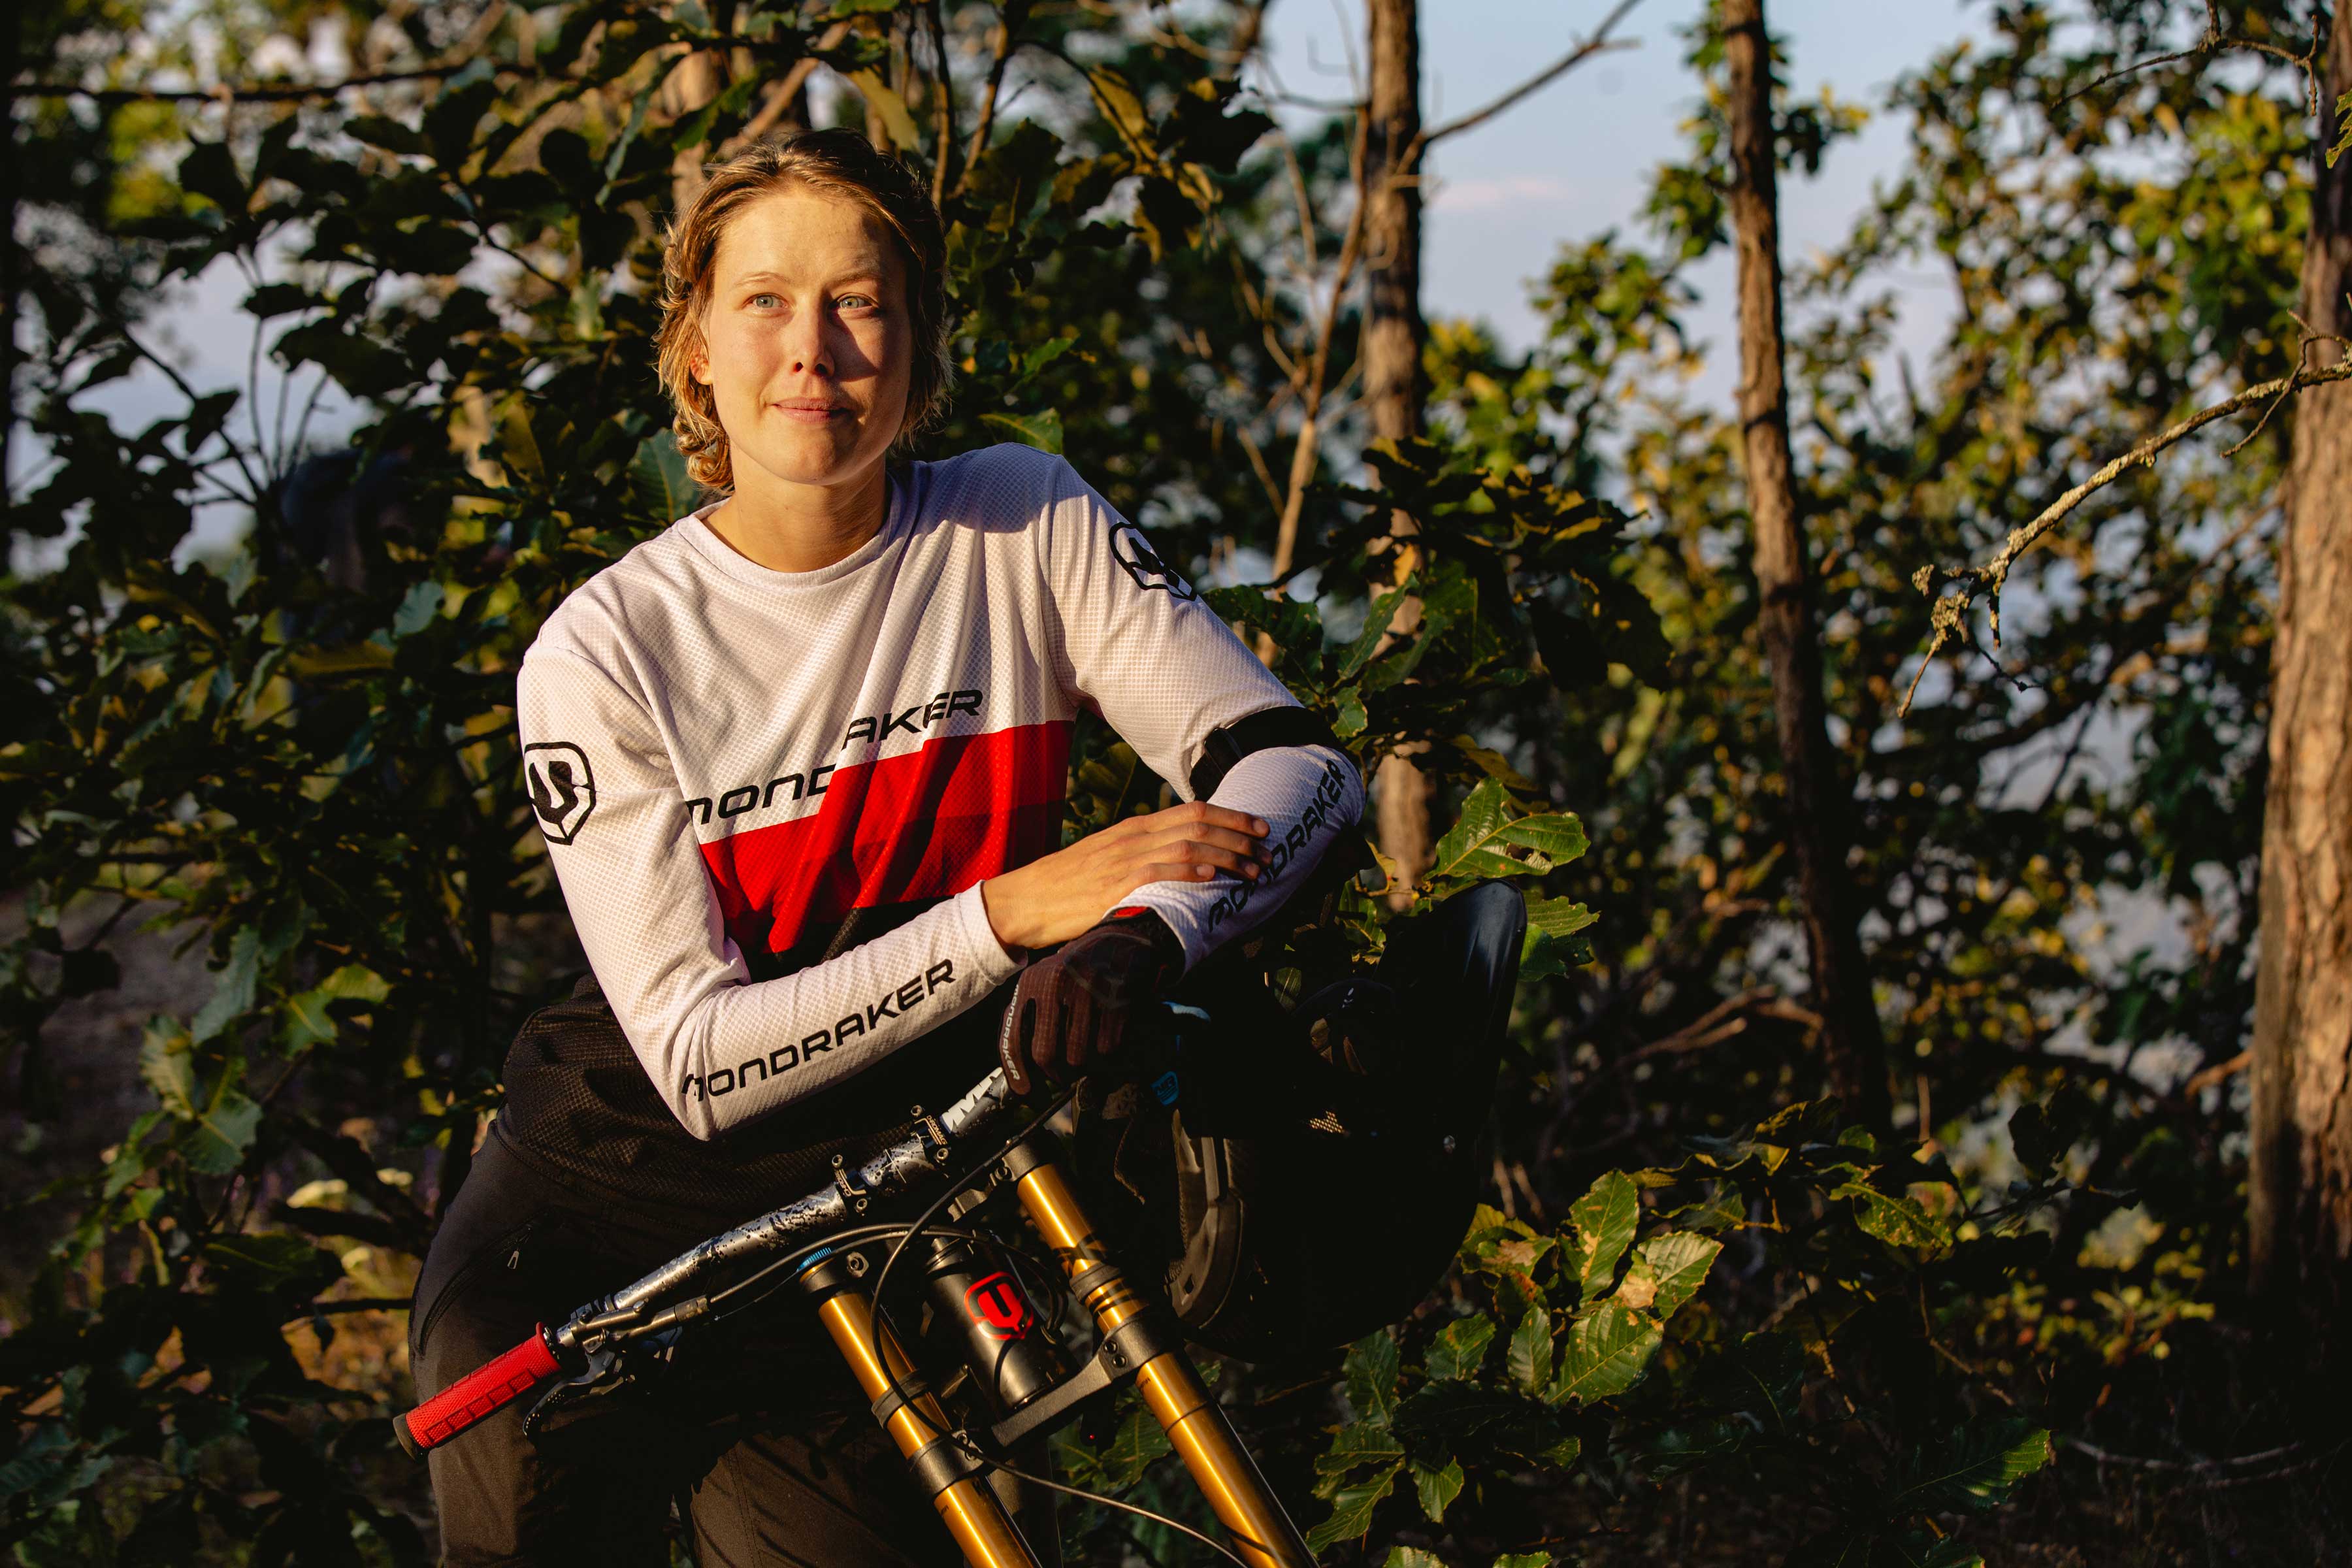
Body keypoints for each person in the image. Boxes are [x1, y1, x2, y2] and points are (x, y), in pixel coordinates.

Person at [408, 127, 1367, 1567]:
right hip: (602, 1226)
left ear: (921, 349)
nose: (814, 348)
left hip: (872, 1214)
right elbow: (701, 1064)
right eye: (765, 301)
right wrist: (1013, 915)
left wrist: (1142, 933)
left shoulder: (1023, 518)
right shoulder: (605, 649)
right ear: (695, 354)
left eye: (860, 302)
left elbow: (1303, 774)